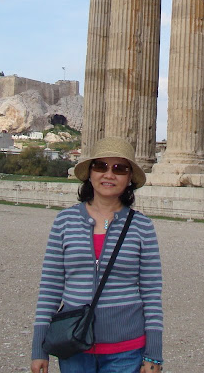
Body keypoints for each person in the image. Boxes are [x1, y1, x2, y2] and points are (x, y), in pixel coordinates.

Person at [30, 137, 163, 373]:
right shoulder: (65, 221)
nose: (109, 175)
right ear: (90, 173)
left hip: (126, 349)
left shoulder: (142, 226)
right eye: (100, 166)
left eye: (119, 169)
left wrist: (154, 352)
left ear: (129, 178)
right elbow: (50, 288)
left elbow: (151, 293)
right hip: (73, 345)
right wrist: (39, 348)